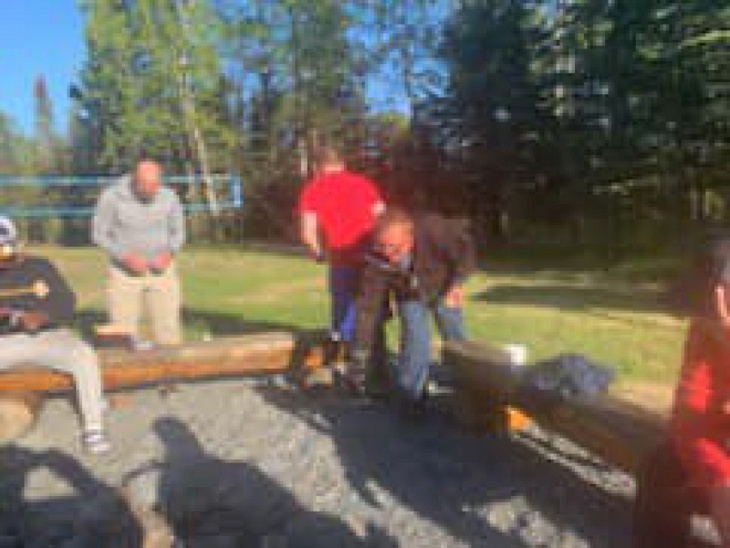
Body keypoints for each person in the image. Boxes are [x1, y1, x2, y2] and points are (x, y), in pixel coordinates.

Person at [634, 235, 730, 546]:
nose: (699, 319)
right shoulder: (705, 330)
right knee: (658, 468)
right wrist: (719, 476)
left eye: (706, 310)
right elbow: (690, 414)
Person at [0, 217, 110, 453]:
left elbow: (67, 303)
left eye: (4, 249)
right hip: (5, 341)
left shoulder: (40, 266)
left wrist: (42, 317)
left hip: (47, 336)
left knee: (83, 354)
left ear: (15, 244)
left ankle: (93, 427)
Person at [350, 208, 475, 413]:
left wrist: (457, 283)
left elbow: (465, 252)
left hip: (444, 285)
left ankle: (469, 389)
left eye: (395, 248)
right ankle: (412, 397)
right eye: (382, 246)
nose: (388, 254)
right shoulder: (375, 258)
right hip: (409, 293)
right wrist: (359, 354)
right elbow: (368, 311)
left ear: (410, 237)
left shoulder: (434, 229)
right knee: (414, 339)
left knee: (455, 339)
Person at [298, 144, 385, 349]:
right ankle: (375, 357)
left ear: (318, 167)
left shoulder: (313, 189)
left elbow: (307, 233)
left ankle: (346, 354)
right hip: (371, 256)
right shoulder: (363, 183)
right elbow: (383, 219)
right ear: (343, 164)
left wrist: (318, 254)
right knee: (371, 309)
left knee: (342, 309)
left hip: (340, 257)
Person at [92, 158, 185, 345]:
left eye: (156, 185)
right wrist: (125, 257)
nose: (152, 190)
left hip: (163, 273)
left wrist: (169, 254)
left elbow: (179, 232)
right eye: (147, 186)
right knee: (122, 333)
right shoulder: (111, 197)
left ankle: (171, 364)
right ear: (135, 180)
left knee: (168, 330)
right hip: (124, 274)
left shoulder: (169, 197)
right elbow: (99, 234)